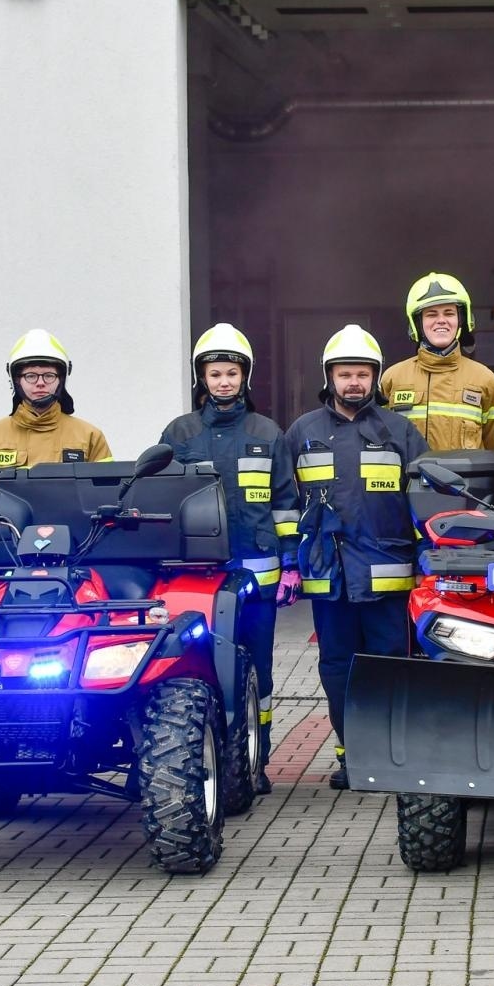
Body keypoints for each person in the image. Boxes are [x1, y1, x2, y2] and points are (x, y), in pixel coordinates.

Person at [161, 323, 300, 794]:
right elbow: (163, 500)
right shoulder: (179, 433)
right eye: (215, 373)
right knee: (202, 665)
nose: (223, 381)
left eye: (231, 373)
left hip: (256, 576)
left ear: (246, 377)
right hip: (199, 580)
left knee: (256, 668)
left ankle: (254, 762)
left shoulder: (268, 433)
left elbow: (285, 504)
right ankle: (212, 757)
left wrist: (291, 566)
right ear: (203, 378)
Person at [287, 325, 428, 790]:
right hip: (330, 576)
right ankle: (352, 754)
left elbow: (424, 501)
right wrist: (293, 562)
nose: (353, 382)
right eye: (345, 374)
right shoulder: (303, 432)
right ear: (329, 378)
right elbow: (288, 504)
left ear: (375, 378)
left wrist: (429, 563)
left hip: (387, 577)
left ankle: (390, 755)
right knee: (337, 667)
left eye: (362, 374)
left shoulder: (398, 431)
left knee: (390, 664)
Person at [0, 329, 112, 511]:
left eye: (49, 375)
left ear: (61, 379)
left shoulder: (90, 436)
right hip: (8, 538)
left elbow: (107, 498)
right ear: (16, 380)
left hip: (76, 538)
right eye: (31, 375)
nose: (40, 383)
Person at [380, 271, 494, 451]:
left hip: (466, 480)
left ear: (461, 320)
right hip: (409, 480)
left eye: (449, 313)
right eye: (431, 314)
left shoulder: (485, 380)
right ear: (417, 323)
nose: (441, 321)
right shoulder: (393, 378)